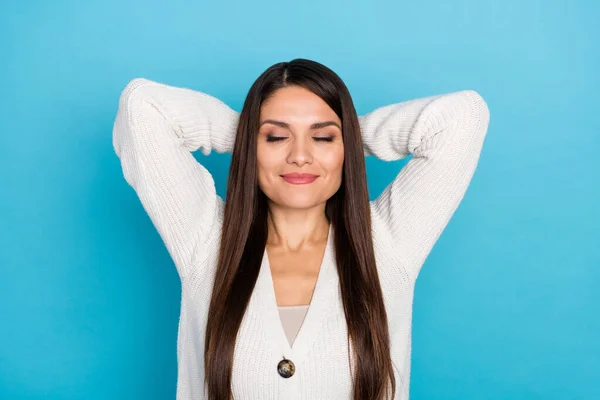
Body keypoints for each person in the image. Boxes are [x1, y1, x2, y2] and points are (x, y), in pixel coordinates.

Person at [112, 58, 490, 400]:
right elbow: (142, 105)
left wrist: (349, 133)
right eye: (275, 136)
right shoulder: (207, 240)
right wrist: (247, 134)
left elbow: (463, 116)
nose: (300, 155)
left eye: (323, 137)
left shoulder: (388, 243)